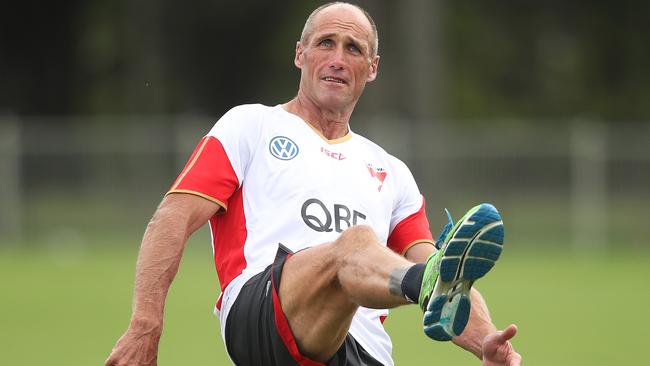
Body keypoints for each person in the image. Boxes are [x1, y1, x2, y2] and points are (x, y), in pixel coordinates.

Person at [106, 2, 522, 365]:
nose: (338, 58)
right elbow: (171, 219)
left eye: (353, 48)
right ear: (300, 54)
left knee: (413, 267)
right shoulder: (250, 126)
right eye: (326, 43)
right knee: (355, 244)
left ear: (372, 68)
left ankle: (421, 286)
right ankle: (418, 286)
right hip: (262, 313)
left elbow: (447, 272)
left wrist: (485, 339)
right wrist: (146, 322)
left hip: (362, 349)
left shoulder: (391, 171)